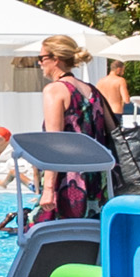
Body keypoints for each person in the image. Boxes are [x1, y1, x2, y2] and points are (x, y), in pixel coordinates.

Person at [33, 35, 125, 227]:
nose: (39, 63)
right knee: (90, 236)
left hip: (68, 183)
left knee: (46, 232)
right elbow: (113, 131)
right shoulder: (92, 91)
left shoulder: (54, 90)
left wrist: (48, 189)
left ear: (56, 59)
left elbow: (54, 143)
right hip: (98, 182)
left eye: (41, 58)